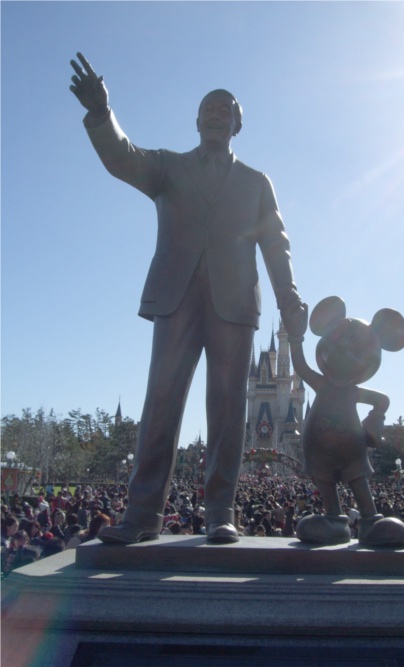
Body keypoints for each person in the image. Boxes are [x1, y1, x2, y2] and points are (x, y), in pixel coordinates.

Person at [69, 53, 306, 545]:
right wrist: (100, 113)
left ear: (238, 124)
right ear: (196, 121)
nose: (216, 115)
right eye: (208, 109)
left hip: (233, 305)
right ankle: (141, 514)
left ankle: (221, 512)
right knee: (161, 401)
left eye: (225, 110)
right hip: (176, 298)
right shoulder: (168, 167)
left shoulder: (256, 183)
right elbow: (122, 158)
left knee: (227, 409)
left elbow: (276, 245)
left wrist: (290, 298)